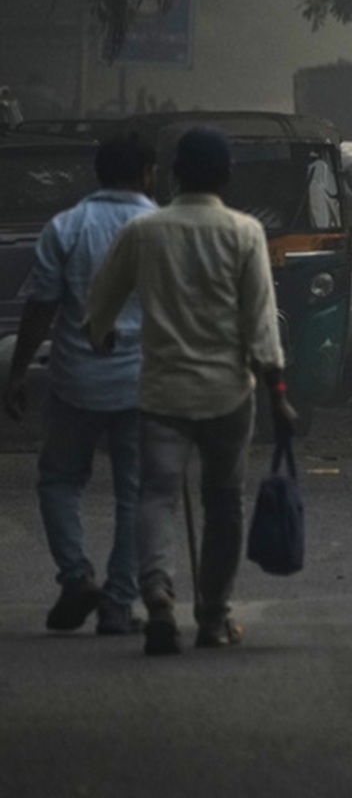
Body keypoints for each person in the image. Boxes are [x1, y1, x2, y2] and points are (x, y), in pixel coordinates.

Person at [86, 126, 297, 656]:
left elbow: (101, 301)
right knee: (223, 504)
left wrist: (103, 332)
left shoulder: (145, 230)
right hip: (229, 393)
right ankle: (213, 617)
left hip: (162, 392)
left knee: (155, 496)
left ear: (174, 173)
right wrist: (278, 392)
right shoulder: (245, 232)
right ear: (226, 174)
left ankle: (157, 593)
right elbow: (260, 324)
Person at [4, 134, 158, 636]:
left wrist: (18, 370)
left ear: (97, 173)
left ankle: (76, 576)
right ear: (148, 173)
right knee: (136, 495)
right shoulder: (161, 228)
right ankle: (117, 604)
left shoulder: (67, 226)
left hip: (76, 383)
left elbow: (41, 305)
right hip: (143, 384)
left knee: (59, 482)